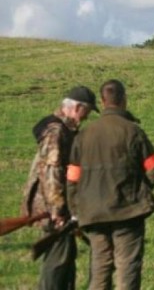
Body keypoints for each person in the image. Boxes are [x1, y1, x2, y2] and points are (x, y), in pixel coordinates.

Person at [66, 79, 154, 289]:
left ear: (102, 101)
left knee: (99, 269)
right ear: (124, 100)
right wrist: (139, 190)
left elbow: (72, 179)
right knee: (127, 269)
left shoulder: (83, 135)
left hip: (92, 213)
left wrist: (76, 210)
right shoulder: (132, 131)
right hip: (127, 212)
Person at [21, 86, 98, 290]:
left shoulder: (60, 129)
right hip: (52, 207)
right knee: (58, 259)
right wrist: (57, 209)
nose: (86, 118)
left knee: (65, 257)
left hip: (53, 204)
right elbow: (52, 171)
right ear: (77, 107)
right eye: (87, 112)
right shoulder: (56, 131)